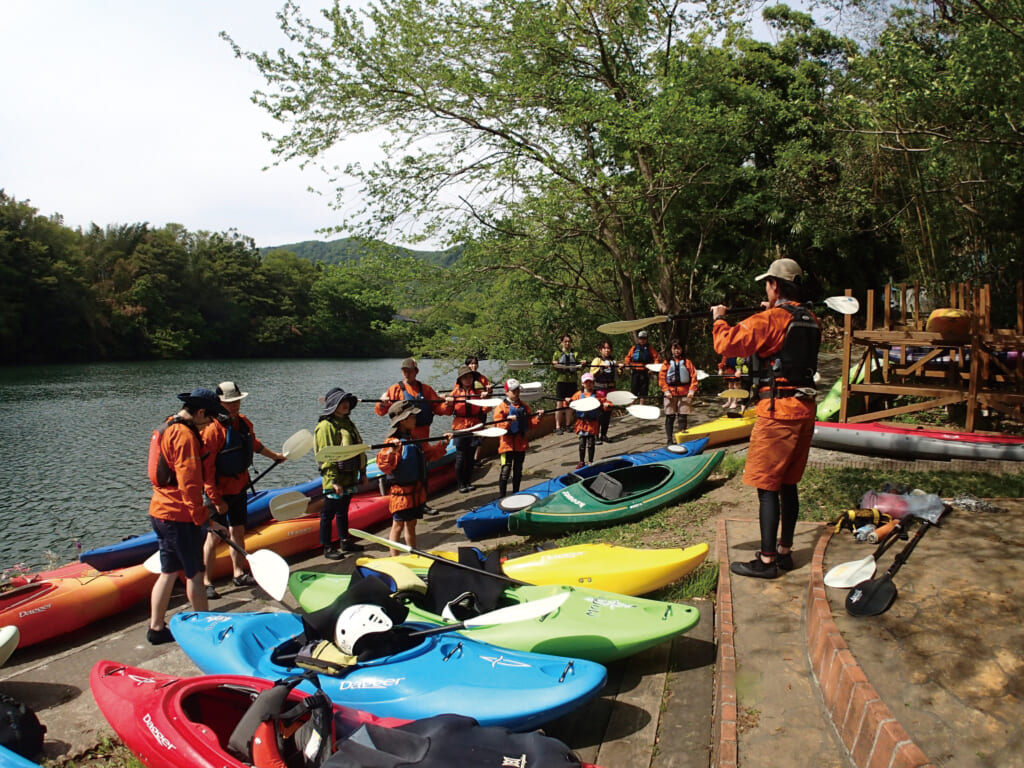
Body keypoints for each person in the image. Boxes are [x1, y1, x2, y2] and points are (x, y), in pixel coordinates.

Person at [712, 258, 821, 579]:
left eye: (767, 284)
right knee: (789, 484)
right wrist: (767, 311)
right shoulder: (810, 319)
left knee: (767, 487)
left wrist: (719, 319)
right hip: (805, 410)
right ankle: (785, 552)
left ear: (775, 285)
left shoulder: (771, 319)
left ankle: (767, 560)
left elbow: (727, 344)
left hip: (778, 413)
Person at [146, 388, 227, 645]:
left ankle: (156, 628)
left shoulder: (168, 425)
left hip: (160, 510)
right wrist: (204, 518)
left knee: (169, 571)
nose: (212, 422)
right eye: (211, 417)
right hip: (179, 515)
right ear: (200, 411)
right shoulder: (184, 436)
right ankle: (205, 628)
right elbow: (190, 483)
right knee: (195, 573)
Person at [199, 381, 287, 598]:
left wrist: (274, 455)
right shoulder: (211, 430)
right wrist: (215, 498)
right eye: (229, 402)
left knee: (238, 531)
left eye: (236, 401)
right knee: (215, 535)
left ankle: (238, 573)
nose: (234, 406)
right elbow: (206, 469)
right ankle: (206, 581)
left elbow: (253, 444)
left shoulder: (244, 422)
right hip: (218, 491)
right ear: (219, 403)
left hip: (239, 487)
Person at [375, 401, 451, 556]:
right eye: (412, 416)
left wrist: (443, 443)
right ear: (403, 420)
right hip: (401, 494)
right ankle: (394, 558)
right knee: (397, 526)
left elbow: (429, 455)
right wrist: (391, 451)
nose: (415, 418)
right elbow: (383, 466)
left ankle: (414, 554)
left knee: (412, 524)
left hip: (416, 492)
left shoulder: (414, 438)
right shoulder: (392, 443)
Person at [314, 387, 369, 560]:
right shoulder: (325, 426)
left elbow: (358, 448)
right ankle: (327, 546)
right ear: (333, 405)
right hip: (335, 479)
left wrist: (363, 472)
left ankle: (344, 540)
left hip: (349, 476)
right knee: (328, 513)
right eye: (341, 402)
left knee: (343, 510)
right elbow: (326, 455)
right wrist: (333, 481)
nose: (345, 405)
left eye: (347, 402)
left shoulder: (348, 423)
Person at [491, 379, 544, 497]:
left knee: (518, 470)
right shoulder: (501, 408)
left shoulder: (524, 407)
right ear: (506, 392)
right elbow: (498, 426)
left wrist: (539, 418)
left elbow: (531, 424)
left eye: (517, 390)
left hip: (521, 443)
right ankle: (502, 496)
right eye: (513, 390)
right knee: (505, 470)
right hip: (507, 444)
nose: (516, 392)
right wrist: (508, 422)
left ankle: (516, 493)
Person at [373, 358, 447, 441]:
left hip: (422, 432)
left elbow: (438, 409)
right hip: (403, 434)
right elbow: (380, 412)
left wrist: (447, 404)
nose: (407, 374)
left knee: (422, 452)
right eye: (404, 371)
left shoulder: (427, 389)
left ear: (416, 372)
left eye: (410, 371)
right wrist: (382, 404)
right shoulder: (395, 389)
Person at [444, 365, 491, 493]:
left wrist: (486, 399)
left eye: (470, 377)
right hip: (460, 426)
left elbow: (486, 409)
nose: (468, 379)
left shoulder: (477, 392)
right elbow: (447, 411)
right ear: (460, 380)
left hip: (475, 425)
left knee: (470, 457)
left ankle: (468, 481)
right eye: (465, 377)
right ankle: (460, 484)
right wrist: (447, 402)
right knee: (460, 457)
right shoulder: (455, 393)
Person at [659, 342, 699, 445]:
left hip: (684, 393)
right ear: (671, 350)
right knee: (670, 416)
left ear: (681, 350)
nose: (676, 351)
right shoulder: (666, 363)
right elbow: (662, 378)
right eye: (674, 349)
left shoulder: (687, 362)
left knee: (682, 416)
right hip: (670, 393)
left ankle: (682, 439)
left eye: (678, 349)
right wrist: (666, 390)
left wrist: (692, 390)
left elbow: (694, 376)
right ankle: (669, 440)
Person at [570, 372, 609, 468]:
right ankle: (581, 461)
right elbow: (570, 403)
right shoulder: (578, 395)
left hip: (592, 423)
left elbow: (606, 403)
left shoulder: (597, 395)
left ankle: (590, 461)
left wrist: (606, 405)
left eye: (590, 382)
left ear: (593, 383)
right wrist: (567, 401)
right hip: (581, 422)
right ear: (582, 384)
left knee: (591, 443)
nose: (588, 384)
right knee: (582, 443)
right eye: (586, 382)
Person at [589, 339, 620, 444]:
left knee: (607, 413)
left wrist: (621, 368)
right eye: (604, 348)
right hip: (600, 390)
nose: (607, 350)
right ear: (601, 350)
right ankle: (595, 435)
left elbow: (619, 375)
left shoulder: (613, 361)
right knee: (599, 413)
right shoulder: (597, 360)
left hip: (611, 390)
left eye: (608, 348)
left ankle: (604, 434)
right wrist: (601, 368)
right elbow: (592, 375)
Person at [551, 334, 580, 434]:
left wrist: (583, 362)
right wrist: (554, 364)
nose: (567, 343)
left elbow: (579, 365)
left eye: (569, 341)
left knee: (570, 404)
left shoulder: (575, 353)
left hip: (572, 381)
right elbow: (553, 367)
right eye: (565, 341)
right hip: (561, 381)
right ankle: (558, 426)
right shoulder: (557, 354)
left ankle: (568, 425)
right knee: (559, 404)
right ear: (562, 343)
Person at [624, 330, 660, 405]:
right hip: (635, 372)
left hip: (645, 372)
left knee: (643, 390)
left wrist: (652, 368)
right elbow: (628, 357)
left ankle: (641, 406)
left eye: (644, 338)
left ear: (646, 339)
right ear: (638, 339)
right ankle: (632, 407)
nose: (642, 340)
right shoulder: (634, 348)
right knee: (634, 389)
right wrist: (627, 364)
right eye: (641, 338)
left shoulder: (650, 348)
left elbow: (656, 358)